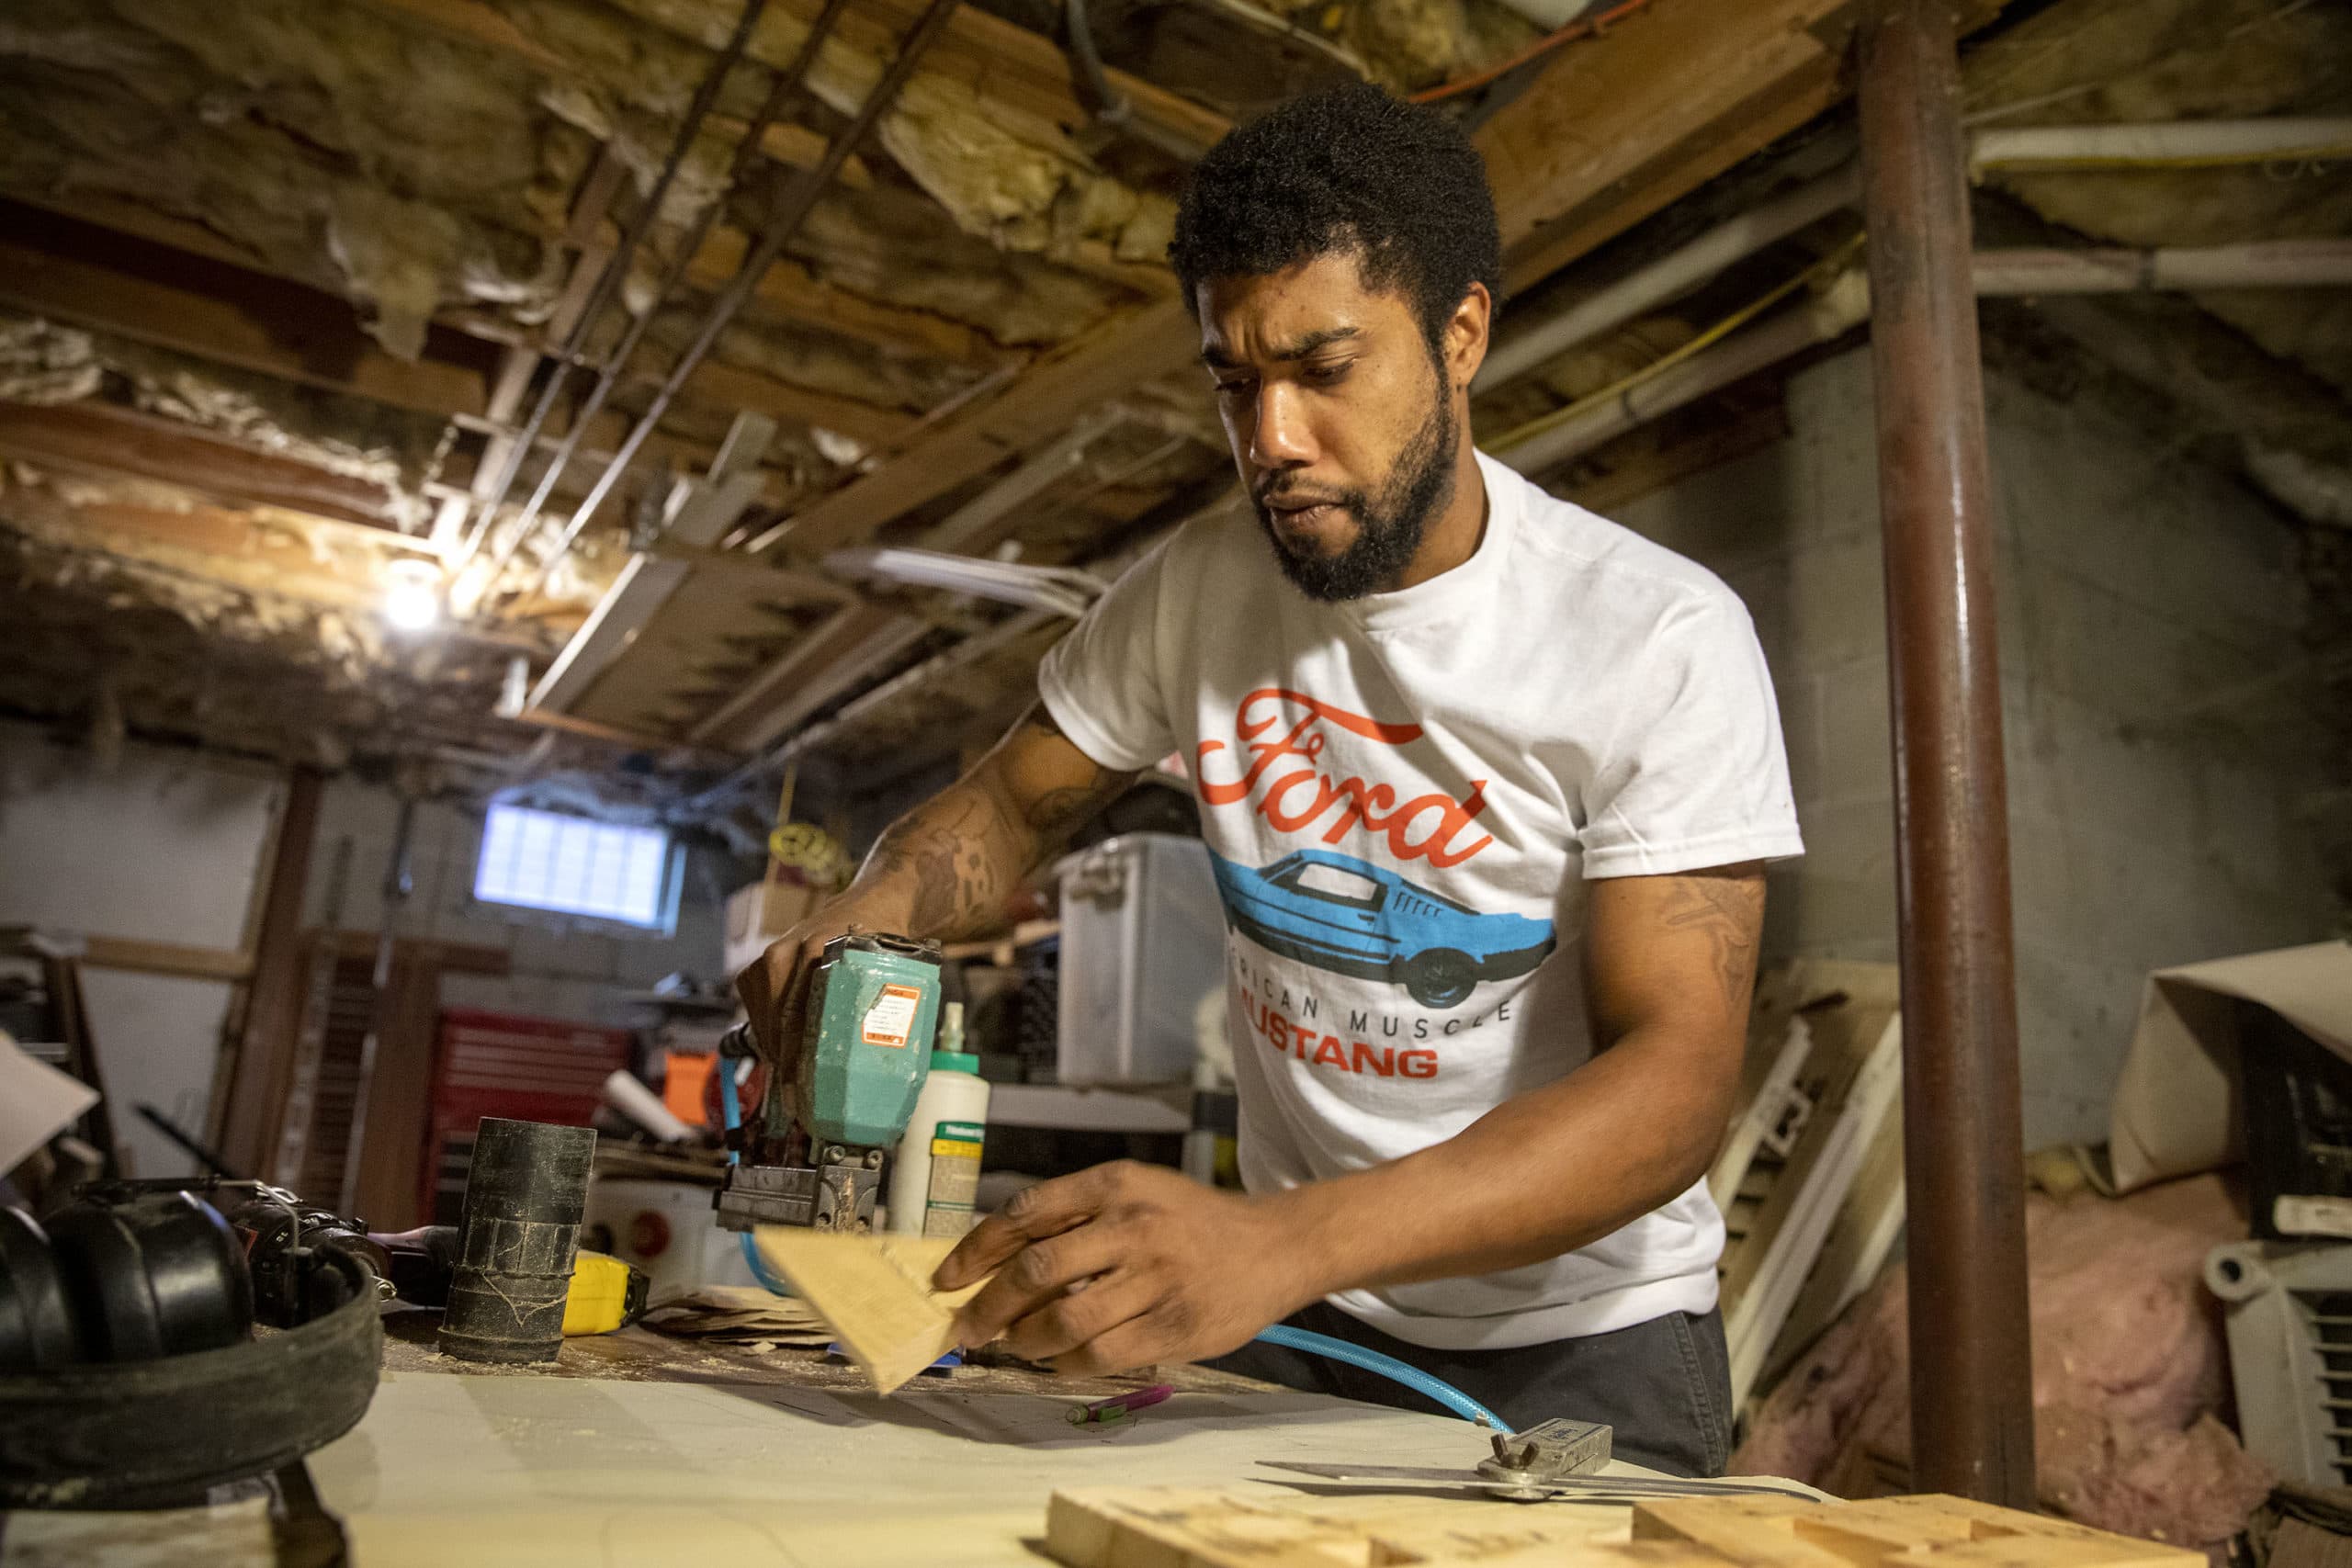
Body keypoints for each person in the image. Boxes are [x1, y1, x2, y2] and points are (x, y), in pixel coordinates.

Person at [737, 81, 1802, 1477]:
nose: (1272, 439)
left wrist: (1279, 1241)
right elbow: (1006, 803)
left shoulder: (1654, 635)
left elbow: (1674, 1084)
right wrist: (864, 918)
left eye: (1323, 369)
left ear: (1462, 334)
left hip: (1578, 1341)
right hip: (1298, 1314)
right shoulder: (1194, 595)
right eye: (1236, 383)